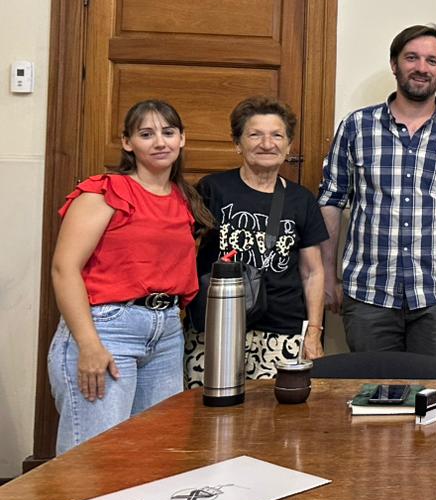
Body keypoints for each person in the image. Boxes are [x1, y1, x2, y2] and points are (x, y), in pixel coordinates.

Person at [47, 99, 213, 454]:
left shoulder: (183, 198)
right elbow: (64, 269)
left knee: (154, 456)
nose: (160, 142)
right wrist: (89, 344)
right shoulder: (105, 191)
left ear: (182, 138)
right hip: (108, 330)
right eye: (146, 134)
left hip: (166, 334)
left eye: (168, 132)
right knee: (94, 459)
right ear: (127, 143)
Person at [318, 25, 436, 365]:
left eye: (432, 60)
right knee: (372, 393)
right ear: (394, 64)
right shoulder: (356, 126)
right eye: (411, 58)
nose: (421, 67)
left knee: (435, 393)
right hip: (369, 295)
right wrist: (328, 276)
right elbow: (331, 201)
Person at [184, 97, 328, 387]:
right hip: (215, 329)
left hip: (281, 332)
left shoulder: (301, 199)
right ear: (237, 143)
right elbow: (181, 250)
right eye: (255, 135)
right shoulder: (213, 189)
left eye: (277, 135)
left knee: (274, 414)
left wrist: (313, 333)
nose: (267, 144)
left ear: (288, 145)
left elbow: (313, 272)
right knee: (205, 411)